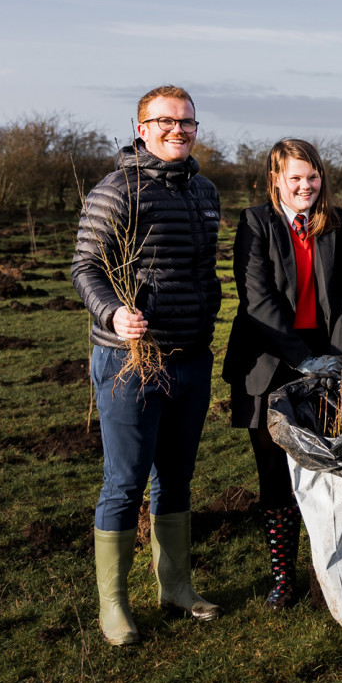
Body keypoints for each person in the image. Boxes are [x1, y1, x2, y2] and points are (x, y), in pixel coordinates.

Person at [72, 84, 222, 646]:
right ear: (142, 129)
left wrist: (208, 316)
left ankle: (176, 587)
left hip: (190, 358)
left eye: (187, 122)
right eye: (165, 122)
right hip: (131, 361)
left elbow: (204, 270)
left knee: (176, 478)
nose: (177, 131)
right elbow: (85, 266)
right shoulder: (116, 190)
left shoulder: (205, 192)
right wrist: (112, 315)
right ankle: (114, 605)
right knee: (125, 481)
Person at [221, 138, 342, 611]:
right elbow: (257, 299)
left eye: (313, 176)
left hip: (326, 360)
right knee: (275, 473)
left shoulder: (336, 223)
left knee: (325, 469)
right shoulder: (255, 222)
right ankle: (283, 577)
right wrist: (301, 357)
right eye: (295, 177)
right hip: (268, 362)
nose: (306, 185)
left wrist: (337, 358)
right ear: (275, 179)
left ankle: (329, 572)